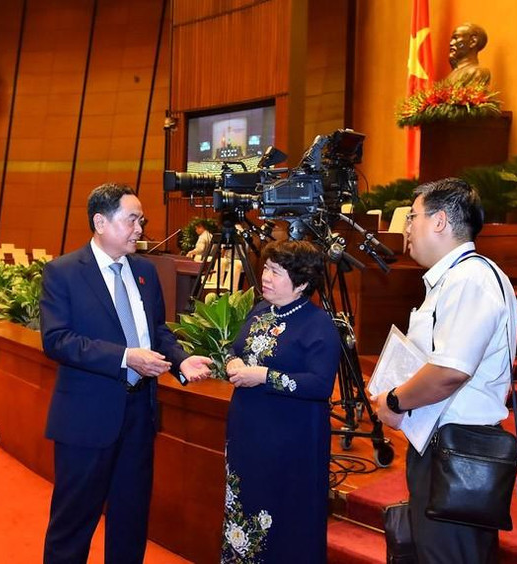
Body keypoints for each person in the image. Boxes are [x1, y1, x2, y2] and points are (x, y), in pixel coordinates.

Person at [40, 183, 212, 563]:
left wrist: (181, 360)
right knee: (72, 525)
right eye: (132, 219)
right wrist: (125, 357)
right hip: (86, 419)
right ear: (100, 222)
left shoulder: (146, 272)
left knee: (131, 521)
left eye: (141, 220)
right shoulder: (63, 272)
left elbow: (158, 331)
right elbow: (57, 340)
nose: (140, 228)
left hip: (139, 415)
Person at [372, 178, 517, 563]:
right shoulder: (453, 279)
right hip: (443, 446)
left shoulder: (470, 278)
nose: (407, 228)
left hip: (461, 452)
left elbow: (450, 371)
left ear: (439, 222)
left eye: (413, 217)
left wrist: (394, 400)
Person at [220, 240, 341, 563]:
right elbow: (237, 348)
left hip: (290, 440)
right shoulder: (261, 310)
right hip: (248, 432)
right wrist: (233, 362)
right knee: (245, 506)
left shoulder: (319, 326)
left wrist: (264, 376)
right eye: (266, 269)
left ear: (302, 283)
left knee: (286, 515)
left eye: (276, 272)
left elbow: (320, 385)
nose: (266, 277)